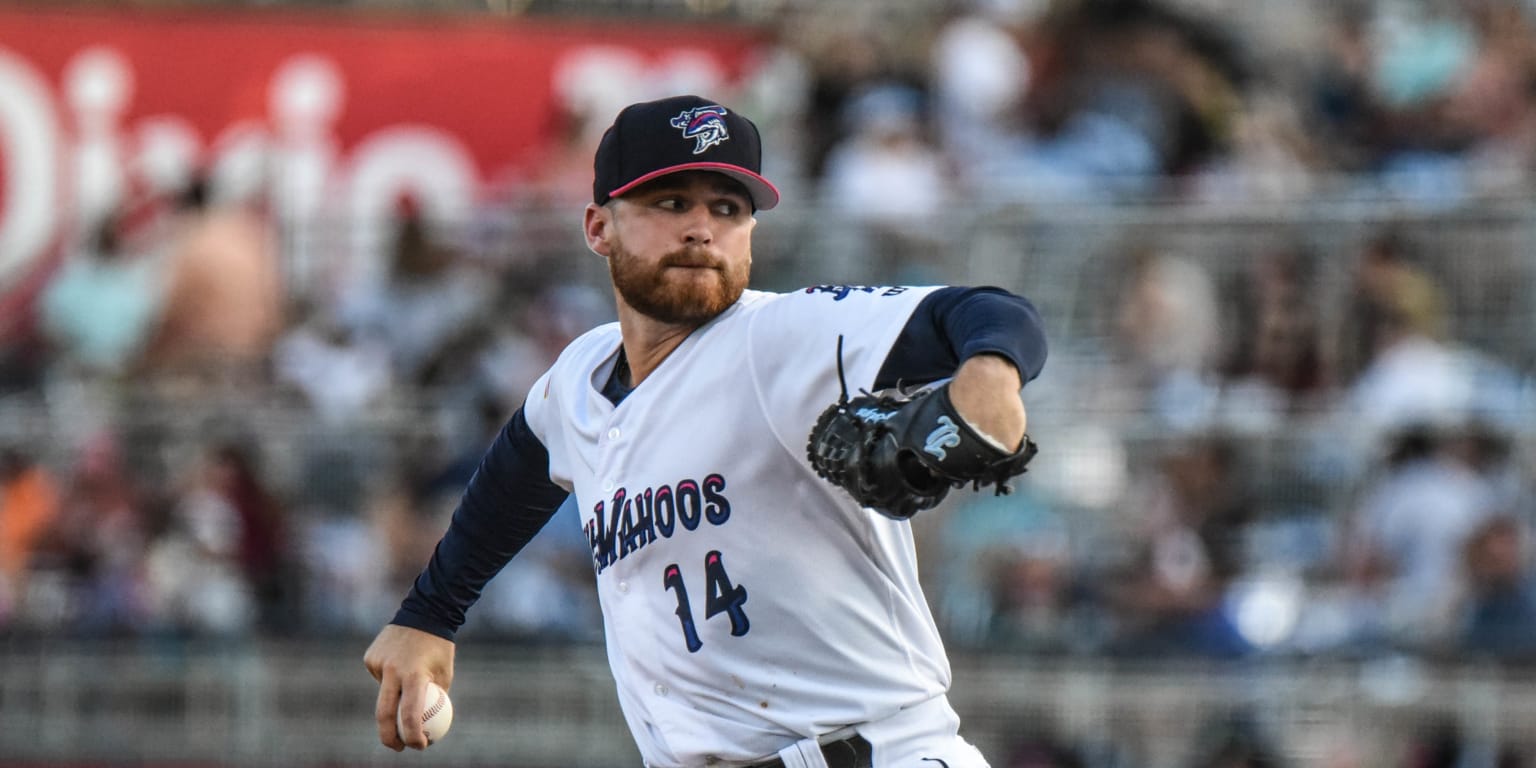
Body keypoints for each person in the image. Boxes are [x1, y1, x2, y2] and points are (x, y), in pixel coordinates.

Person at [363, 94, 1048, 768]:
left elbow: (991, 313)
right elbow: (516, 469)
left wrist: (991, 372)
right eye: (671, 203)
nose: (701, 228)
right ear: (599, 227)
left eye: (727, 208)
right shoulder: (580, 376)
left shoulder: (778, 337)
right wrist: (429, 614)